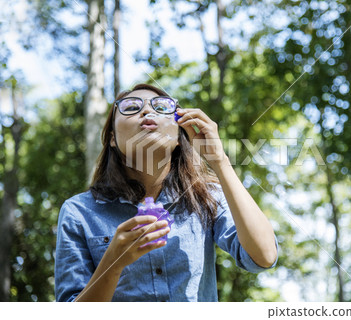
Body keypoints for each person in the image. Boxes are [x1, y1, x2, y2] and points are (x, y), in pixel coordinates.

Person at [54, 83, 278, 302]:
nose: (147, 110)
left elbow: (263, 256)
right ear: (112, 138)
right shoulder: (79, 212)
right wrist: (112, 264)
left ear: (180, 136)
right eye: (131, 107)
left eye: (161, 107)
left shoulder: (205, 196)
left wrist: (219, 161)